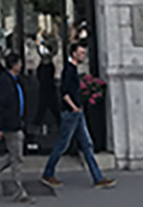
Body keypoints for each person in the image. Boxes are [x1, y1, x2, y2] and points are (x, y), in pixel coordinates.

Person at [41, 42, 116, 191]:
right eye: (81, 53)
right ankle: (48, 173)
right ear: (73, 54)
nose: (83, 55)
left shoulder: (72, 70)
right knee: (63, 144)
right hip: (71, 113)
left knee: (87, 145)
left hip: (76, 113)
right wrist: (74, 107)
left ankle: (98, 178)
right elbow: (65, 93)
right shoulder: (68, 70)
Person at [0, 53, 33, 204]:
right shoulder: (5, 82)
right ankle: (19, 192)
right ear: (15, 65)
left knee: (13, 155)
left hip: (16, 122)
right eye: (19, 63)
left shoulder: (12, 80)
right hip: (11, 124)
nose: (21, 66)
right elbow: (0, 105)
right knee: (17, 159)